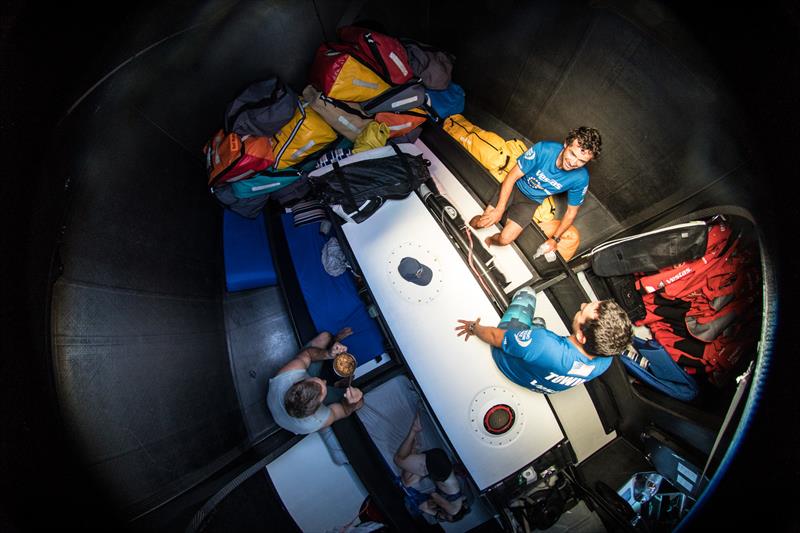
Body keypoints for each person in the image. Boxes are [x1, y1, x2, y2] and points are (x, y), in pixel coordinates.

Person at [455, 287, 631, 394]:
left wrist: (474, 328)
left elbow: (494, 337)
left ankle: (523, 334)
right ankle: (529, 333)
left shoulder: (544, 344)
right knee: (538, 323)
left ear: (581, 337)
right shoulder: (606, 359)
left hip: (507, 364)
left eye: (585, 309)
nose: (582, 305)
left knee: (528, 293)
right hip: (536, 383)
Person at [470, 127, 602, 250]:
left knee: (504, 240)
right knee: (483, 222)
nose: (573, 163)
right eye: (572, 154)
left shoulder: (581, 178)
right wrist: (499, 209)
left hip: (530, 202)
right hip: (515, 187)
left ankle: (488, 241)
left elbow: (571, 212)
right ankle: (467, 229)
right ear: (566, 144)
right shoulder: (544, 149)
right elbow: (512, 177)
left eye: (581, 161)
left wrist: (555, 239)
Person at [267, 328, 363, 434]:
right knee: (359, 402)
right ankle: (338, 385)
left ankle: (334, 343)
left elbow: (307, 354)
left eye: (318, 380)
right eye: (324, 387)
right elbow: (344, 410)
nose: (325, 381)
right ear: (316, 410)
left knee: (325, 337)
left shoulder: (287, 375)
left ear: (296, 382)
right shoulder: (318, 420)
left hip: (292, 381)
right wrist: (350, 403)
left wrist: (329, 354)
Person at [394, 413, 469, 523]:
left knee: (408, 482)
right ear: (451, 518)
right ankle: (414, 430)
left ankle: (414, 450)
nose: (443, 518)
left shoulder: (459, 502)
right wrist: (437, 514)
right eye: (446, 518)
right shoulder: (453, 511)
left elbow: (423, 506)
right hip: (438, 466)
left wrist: (433, 510)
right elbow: (433, 495)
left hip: (437, 468)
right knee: (398, 459)